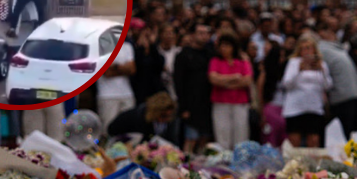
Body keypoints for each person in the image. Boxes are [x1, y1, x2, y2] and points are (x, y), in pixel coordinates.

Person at [281, 35, 333, 147]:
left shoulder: (321, 64)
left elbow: (328, 85)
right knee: (294, 141)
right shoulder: (294, 62)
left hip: (314, 108)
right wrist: (299, 70)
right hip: (295, 108)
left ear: (314, 49)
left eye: (309, 47)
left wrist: (322, 71)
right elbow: (286, 84)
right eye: (303, 48)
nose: (306, 51)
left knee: (314, 140)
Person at [316, 22, 357, 136]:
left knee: (356, 132)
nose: (333, 34)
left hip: (354, 93)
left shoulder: (335, 48)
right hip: (342, 97)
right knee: (346, 132)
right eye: (328, 31)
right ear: (321, 33)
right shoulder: (321, 49)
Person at [208, 31, 253, 150]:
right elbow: (213, 79)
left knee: (241, 131)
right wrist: (234, 78)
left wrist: (224, 82)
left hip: (239, 102)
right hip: (221, 101)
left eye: (227, 46)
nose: (224, 49)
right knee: (222, 132)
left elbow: (247, 81)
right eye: (222, 46)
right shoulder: (215, 61)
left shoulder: (243, 61)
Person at [174, 23, 214, 153]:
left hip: (208, 102)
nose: (204, 36)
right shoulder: (183, 55)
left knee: (205, 137)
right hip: (191, 104)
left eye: (206, 33)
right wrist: (183, 107)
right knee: (191, 138)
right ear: (192, 35)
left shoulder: (210, 53)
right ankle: (187, 166)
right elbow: (179, 82)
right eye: (200, 33)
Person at [107, 91, 178, 144]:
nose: (167, 119)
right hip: (121, 139)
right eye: (163, 116)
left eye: (169, 116)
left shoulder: (166, 122)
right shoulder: (139, 117)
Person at [97, 39, 137, 132]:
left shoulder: (127, 46)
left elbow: (132, 69)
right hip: (107, 95)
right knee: (108, 130)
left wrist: (114, 66)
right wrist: (123, 68)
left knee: (129, 129)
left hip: (127, 94)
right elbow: (106, 72)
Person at [256, 43, 288, 146]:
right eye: (280, 56)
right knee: (270, 141)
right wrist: (261, 115)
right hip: (270, 110)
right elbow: (259, 95)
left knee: (284, 142)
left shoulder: (286, 73)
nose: (282, 59)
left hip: (285, 110)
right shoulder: (265, 74)